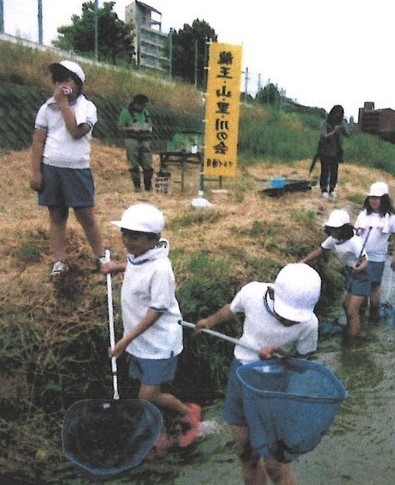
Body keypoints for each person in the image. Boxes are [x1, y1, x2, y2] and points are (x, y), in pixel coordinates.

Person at [195, 263, 321, 485]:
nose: (289, 322)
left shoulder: (309, 325)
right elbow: (232, 309)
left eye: (294, 319)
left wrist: (280, 354)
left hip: (275, 386)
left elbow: (302, 365)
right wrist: (209, 322)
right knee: (246, 454)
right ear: (273, 293)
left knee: (274, 464)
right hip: (241, 375)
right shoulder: (252, 293)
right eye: (286, 315)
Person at [101, 203, 201, 448]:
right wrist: (118, 267)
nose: (126, 240)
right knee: (144, 387)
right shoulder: (139, 256)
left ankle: (188, 414)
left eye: (133, 236)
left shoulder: (161, 270)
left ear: (154, 238)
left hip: (158, 343)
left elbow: (156, 311)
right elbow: (137, 268)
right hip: (139, 340)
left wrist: (125, 340)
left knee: (148, 394)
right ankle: (163, 425)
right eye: (124, 233)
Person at [30, 60, 106, 277]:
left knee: (86, 215)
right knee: (56, 215)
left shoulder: (87, 107)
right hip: (51, 167)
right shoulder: (46, 108)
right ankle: (59, 261)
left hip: (77, 168)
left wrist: (63, 104)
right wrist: (36, 172)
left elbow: (75, 131)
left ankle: (100, 256)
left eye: (67, 79)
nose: (62, 84)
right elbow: (37, 141)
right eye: (58, 80)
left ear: (78, 83)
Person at [301, 210, 368, 337]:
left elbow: (365, 261)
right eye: (332, 229)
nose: (334, 232)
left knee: (351, 310)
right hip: (349, 273)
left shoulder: (354, 242)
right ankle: (353, 328)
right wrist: (303, 261)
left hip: (361, 275)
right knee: (345, 305)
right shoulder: (334, 239)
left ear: (344, 228)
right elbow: (320, 250)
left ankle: (353, 343)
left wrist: (358, 269)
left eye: (337, 229)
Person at [354, 182, 395, 319]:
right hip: (361, 256)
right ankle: (361, 313)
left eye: (377, 198)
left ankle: (374, 314)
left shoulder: (391, 218)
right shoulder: (363, 214)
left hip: (377, 258)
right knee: (362, 286)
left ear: (384, 199)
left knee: (374, 286)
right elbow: (356, 233)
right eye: (371, 197)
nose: (373, 201)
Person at [118, 94, 154, 192]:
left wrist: (149, 129)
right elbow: (120, 127)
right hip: (132, 140)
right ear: (136, 104)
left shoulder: (145, 112)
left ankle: (148, 187)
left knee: (148, 164)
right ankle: (137, 187)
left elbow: (150, 124)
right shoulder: (126, 112)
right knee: (133, 164)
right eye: (142, 105)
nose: (143, 108)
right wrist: (132, 128)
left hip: (145, 141)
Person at [317, 105, 352, 198]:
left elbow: (347, 134)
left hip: (336, 151)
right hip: (325, 150)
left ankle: (332, 189)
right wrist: (334, 131)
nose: (337, 116)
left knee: (334, 171)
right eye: (336, 113)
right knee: (324, 170)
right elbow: (324, 135)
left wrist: (352, 129)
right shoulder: (325, 122)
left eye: (340, 114)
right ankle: (324, 189)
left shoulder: (341, 123)